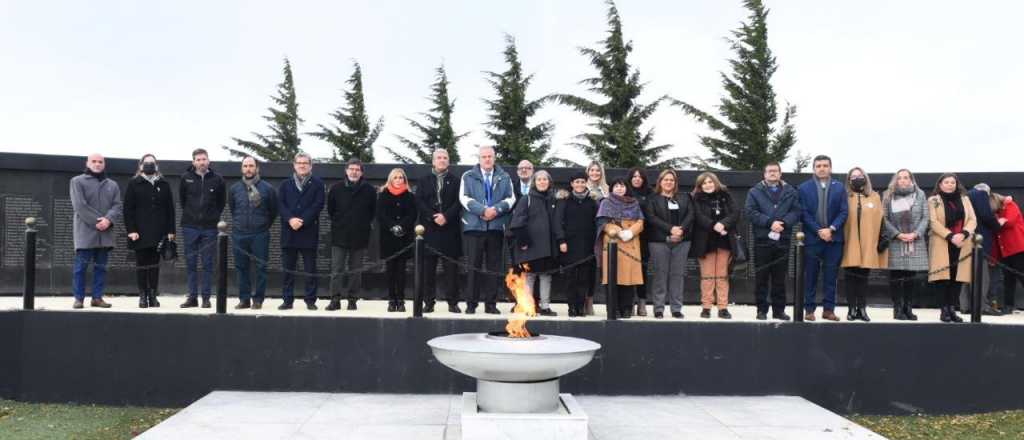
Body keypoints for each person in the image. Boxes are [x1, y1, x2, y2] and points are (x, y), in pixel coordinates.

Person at [459, 145, 516, 315]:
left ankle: (491, 304)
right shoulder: (468, 176)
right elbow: (464, 198)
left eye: (490, 156)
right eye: (484, 156)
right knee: (473, 267)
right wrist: (483, 210)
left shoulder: (504, 176)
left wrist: (495, 210)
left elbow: (511, 198)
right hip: (474, 227)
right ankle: (471, 304)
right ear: (479, 158)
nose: (487, 159)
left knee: (494, 268)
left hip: (495, 228)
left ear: (494, 158)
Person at [744, 162, 800, 321]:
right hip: (762, 240)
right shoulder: (754, 192)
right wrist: (770, 223)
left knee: (779, 278)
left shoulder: (791, 191)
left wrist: (783, 223)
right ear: (764, 174)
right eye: (769, 171)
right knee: (761, 277)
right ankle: (761, 310)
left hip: (783, 239)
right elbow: (750, 212)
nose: (773, 173)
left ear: (780, 173)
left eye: (775, 171)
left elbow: (796, 211)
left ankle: (779, 311)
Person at [798, 155, 848, 321]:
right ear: (813, 168)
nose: (822, 168)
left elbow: (843, 212)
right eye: (818, 165)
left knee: (831, 276)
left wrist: (831, 229)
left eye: (825, 165)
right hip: (813, 238)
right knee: (810, 275)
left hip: (834, 239)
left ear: (830, 168)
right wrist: (819, 230)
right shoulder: (804, 188)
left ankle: (828, 310)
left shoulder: (840, 187)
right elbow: (803, 213)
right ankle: (809, 310)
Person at [69, 153, 121, 309]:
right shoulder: (77, 181)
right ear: (87, 163)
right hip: (85, 233)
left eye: (100, 162)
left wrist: (108, 220)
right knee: (80, 268)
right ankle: (79, 299)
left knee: (101, 268)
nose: (97, 164)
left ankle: (97, 298)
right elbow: (79, 205)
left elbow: (117, 205)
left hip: (105, 234)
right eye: (94, 161)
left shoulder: (112, 185)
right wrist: (97, 222)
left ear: (104, 164)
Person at [123, 154, 175, 308]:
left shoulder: (164, 184)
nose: (149, 166)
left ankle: (153, 295)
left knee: (154, 265)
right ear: (140, 166)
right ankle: (142, 295)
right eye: (146, 163)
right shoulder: (134, 184)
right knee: (141, 264)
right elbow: (128, 209)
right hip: (139, 233)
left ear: (156, 166)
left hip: (159, 232)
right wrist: (131, 230)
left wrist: (170, 230)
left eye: (152, 163)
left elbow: (170, 210)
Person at [415, 149, 462, 313]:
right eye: (439, 158)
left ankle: (452, 303)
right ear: (433, 161)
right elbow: (419, 201)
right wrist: (433, 216)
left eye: (445, 158)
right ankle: (428, 302)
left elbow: (459, 202)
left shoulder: (456, 181)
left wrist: (446, 217)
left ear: (448, 161)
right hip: (430, 230)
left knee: (451, 271)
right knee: (428, 270)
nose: (442, 160)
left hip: (449, 230)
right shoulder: (423, 180)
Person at [511, 170, 564, 316]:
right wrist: (523, 241)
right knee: (530, 276)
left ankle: (545, 306)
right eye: (539, 179)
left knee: (546, 276)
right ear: (534, 182)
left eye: (545, 179)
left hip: (549, 245)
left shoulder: (553, 199)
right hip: (530, 245)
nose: (542, 182)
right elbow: (517, 222)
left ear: (549, 182)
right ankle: (528, 307)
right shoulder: (526, 199)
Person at [326, 158, 376, 311]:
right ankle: (335, 300)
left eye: (357, 169)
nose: (354, 172)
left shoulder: (369, 190)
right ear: (346, 171)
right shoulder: (336, 188)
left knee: (356, 270)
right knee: (337, 270)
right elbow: (331, 210)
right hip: (339, 235)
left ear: (361, 172)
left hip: (359, 235)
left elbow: (372, 211)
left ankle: (352, 300)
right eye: (351, 169)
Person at [643, 169, 694, 319]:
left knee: (677, 275)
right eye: (666, 179)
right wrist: (670, 230)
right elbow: (652, 218)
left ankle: (676, 308)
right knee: (660, 275)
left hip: (682, 242)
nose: (669, 182)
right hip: (659, 242)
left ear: (675, 182)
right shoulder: (652, 199)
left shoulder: (685, 198)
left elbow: (691, 215)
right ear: (660, 182)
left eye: (671, 180)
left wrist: (681, 231)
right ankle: (658, 309)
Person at [838, 167, 888, 322]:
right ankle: (851, 308)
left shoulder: (874, 197)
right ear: (849, 180)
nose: (857, 178)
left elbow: (881, 219)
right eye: (853, 176)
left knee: (863, 278)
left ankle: (862, 308)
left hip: (868, 243)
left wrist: (881, 239)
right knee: (850, 277)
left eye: (860, 176)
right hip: (849, 241)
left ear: (865, 178)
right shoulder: (844, 196)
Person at [179, 148, 226, 308]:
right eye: (198, 159)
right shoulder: (185, 178)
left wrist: (211, 217)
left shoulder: (218, 179)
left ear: (209, 161)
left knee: (208, 264)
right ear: (193, 162)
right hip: (190, 226)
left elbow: (221, 203)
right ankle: (192, 297)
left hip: (210, 228)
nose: (201, 162)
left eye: (204, 159)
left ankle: (206, 297)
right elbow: (183, 200)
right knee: (191, 263)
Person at [278, 152, 325, 310]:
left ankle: (310, 300)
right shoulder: (285, 184)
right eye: (299, 162)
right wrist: (291, 219)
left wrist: (302, 220)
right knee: (288, 270)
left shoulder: (318, 184)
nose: (302, 165)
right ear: (294, 165)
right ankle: (287, 300)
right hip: (289, 232)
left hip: (308, 232)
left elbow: (318, 205)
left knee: (310, 270)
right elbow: (281, 205)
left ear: (310, 165)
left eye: (305, 163)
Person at [229, 156, 278, 310]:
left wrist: (263, 225)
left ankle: (258, 299)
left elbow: (273, 211)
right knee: (241, 267)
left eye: (251, 166)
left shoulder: (268, 189)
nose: (248, 169)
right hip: (239, 234)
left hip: (260, 234)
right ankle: (244, 299)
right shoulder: (234, 189)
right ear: (242, 169)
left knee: (261, 268)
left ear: (257, 168)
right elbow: (232, 209)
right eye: (245, 166)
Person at [927, 173, 976, 323]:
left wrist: (964, 234)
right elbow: (933, 222)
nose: (950, 184)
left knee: (957, 278)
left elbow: (973, 219)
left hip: (962, 242)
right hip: (943, 242)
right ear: (940, 184)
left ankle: (952, 309)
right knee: (943, 279)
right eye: (946, 182)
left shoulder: (965, 199)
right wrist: (950, 236)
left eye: (952, 182)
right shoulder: (933, 200)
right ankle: (944, 310)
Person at [881, 169, 929, 321]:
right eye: (900, 178)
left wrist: (916, 233)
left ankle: (908, 308)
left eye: (906, 177)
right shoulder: (888, 195)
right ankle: (898, 308)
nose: (903, 180)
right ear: (895, 180)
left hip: (915, 241)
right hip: (896, 241)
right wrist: (898, 234)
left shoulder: (920, 195)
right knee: (896, 276)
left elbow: (925, 217)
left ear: (911, 179)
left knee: (910, 277)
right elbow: (884, 219)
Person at [691, 172, 739, 319]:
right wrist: (714, 225)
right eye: (704, 183)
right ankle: (706, 307)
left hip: (724, 241)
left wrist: (723, 224)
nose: (708, 185)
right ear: (700, 186)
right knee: (707, 276)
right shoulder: (696, 199)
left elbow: (735, 213)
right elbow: (698, 216)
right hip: (706, 242)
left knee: (722, 276)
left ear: (715, 182)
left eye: (710, 182)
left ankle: (722, 307)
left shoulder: (725, 195)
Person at [596, 178, 645, 319]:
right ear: (612, 188)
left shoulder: (634, 202)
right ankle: (613, 309)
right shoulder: (606, 202)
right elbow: (602, 222)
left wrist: (631, 232)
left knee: (628, 280)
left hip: (631, 242)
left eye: (622, 186)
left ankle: (627, 309)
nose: (619, 188)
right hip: (613, 242)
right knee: (612, 278)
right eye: (616, 186)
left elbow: (641, 221)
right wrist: (616, 230)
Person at [555, 172, 599, 317]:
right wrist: (561, 240)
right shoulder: (565, 201)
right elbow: (558, 222)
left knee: (583, 279)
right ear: (572, 184)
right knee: (570, 278)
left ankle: (581, 307)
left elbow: (596, 223)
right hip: (569, 246)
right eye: (577, 182)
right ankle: (571, 307)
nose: (580, 184)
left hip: (587, 246)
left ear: (586, 183)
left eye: (582, 181)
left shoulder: (592, 201)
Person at [377, 168, 417, 312]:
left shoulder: (410, 196)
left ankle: (401, 300)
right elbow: (381, 214)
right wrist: (392, 226)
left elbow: (413, 214)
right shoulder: (383, 195)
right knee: (390, 271)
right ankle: (391, 300)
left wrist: (402, 226)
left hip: (404, 238)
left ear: (404, 180)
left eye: (401, 178)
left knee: (401, 271)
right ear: (390, 179)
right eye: (396, 178)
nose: (398, 180)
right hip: (388, 238)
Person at [960, 183, 1003, 315]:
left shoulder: (966, 195)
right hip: (979, 239)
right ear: (987, 191)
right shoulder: (980, 194)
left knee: (967, 274)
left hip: (966, 239)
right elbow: (986, 214)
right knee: (982, 275)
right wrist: (997, 225)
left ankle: (965, 305)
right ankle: (982, 306)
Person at [628, 167, 653, 316]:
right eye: (634, 176)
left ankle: (642, 303)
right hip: (627, 237)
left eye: (640, 176)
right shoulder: (624, 192)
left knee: (642, 271)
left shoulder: (650, 194)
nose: (637, 179)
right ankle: (629, 302)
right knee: (628, 270)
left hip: (644, 237)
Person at [584, 160, 608, 315]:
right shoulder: (582, 187)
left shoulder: (607, 190)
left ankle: (593, 300)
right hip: (585, 233)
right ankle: (585, 302)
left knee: (597, 269)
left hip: (602, 234)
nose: (594, 173)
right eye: (592, 170)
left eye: (597, 170)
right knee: (585, 269)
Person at [994, 193, 1024, 315]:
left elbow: (1010, 222)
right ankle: (1008, 305)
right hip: (1005, 250)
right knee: (1008, 279)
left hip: (1018, 248)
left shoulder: (1010, 205)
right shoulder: (997, 212)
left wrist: (999, 220)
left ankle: (1009, 305)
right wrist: (998, 220)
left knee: (1022, 276)